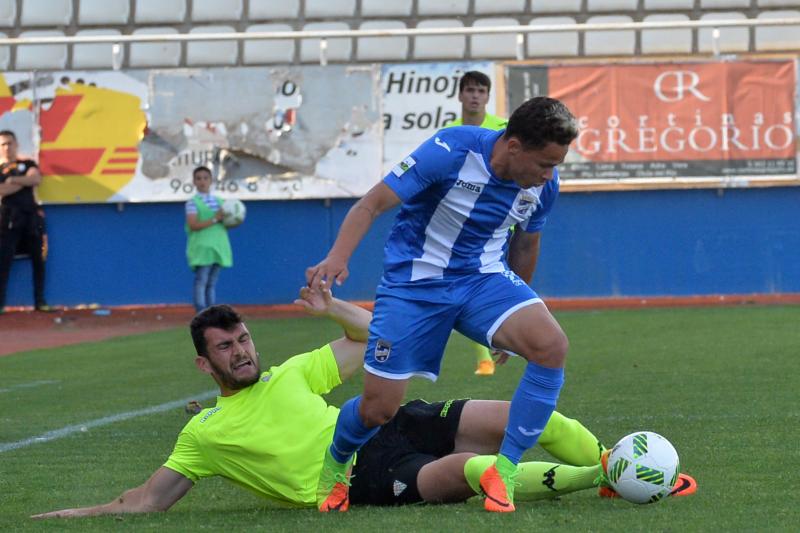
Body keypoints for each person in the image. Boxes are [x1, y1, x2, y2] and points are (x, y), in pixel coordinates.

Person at [30, 286, 698, 520]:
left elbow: (369, 333)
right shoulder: (204, 433)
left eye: (243, 337)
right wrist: (70, 512)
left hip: (391, 422)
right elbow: (147, 499)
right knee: (472, 472)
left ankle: (612, 463)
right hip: (359, 477)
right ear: (204, 363)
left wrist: (330, 306)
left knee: (536, 416)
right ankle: (603, 478)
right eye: (226, 346)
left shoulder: (292, 373)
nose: (240, 350)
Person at [306, 96, 579, 513]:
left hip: (481, 280)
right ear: (514, 146)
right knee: (379, 409)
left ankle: (503, 471)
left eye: (556, 165)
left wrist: (510, 317)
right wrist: (338, 256)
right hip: (414, 286)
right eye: (545, 163)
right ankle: (336, 466)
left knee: (551, 346)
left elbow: (527, 242)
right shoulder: (451, 150)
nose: (549, 175)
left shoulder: (543, 187)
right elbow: (372, 203)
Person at [447, 71, 510, 377]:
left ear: (487, 96)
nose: (474, 95)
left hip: (503, 225)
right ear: (460, 95)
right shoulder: (449, 134)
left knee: (499, 290)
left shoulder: (503, 128)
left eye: (481, 90)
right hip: (466, 229)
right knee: (464, 293)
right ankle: (484, 358)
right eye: (469, 90)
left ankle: (506, 341)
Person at [0, 130, 50, 314]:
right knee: (4, 262)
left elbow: (36, 178)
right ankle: (1, 303)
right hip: (8, 219)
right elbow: (2, 190)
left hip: (31, 219)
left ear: (16, 144)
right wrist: (23, 182)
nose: (7, 147)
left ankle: (40, 301)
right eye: (3, 144)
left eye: (9, 143)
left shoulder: (27, 163)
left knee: (39, 260)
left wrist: (13, 180)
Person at [185, 166, 232, 313]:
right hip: (202, 248)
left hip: (218, 247)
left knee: (211, 282)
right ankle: (201, 311)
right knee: (201, 281)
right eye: (198, 178)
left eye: (205, 178)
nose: (202, 181)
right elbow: (193, 225)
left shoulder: (220, 201)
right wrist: (214, 219)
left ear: (211, 180)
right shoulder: (192, 203)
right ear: (194, 181)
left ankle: (211, 312)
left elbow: (229, 222)